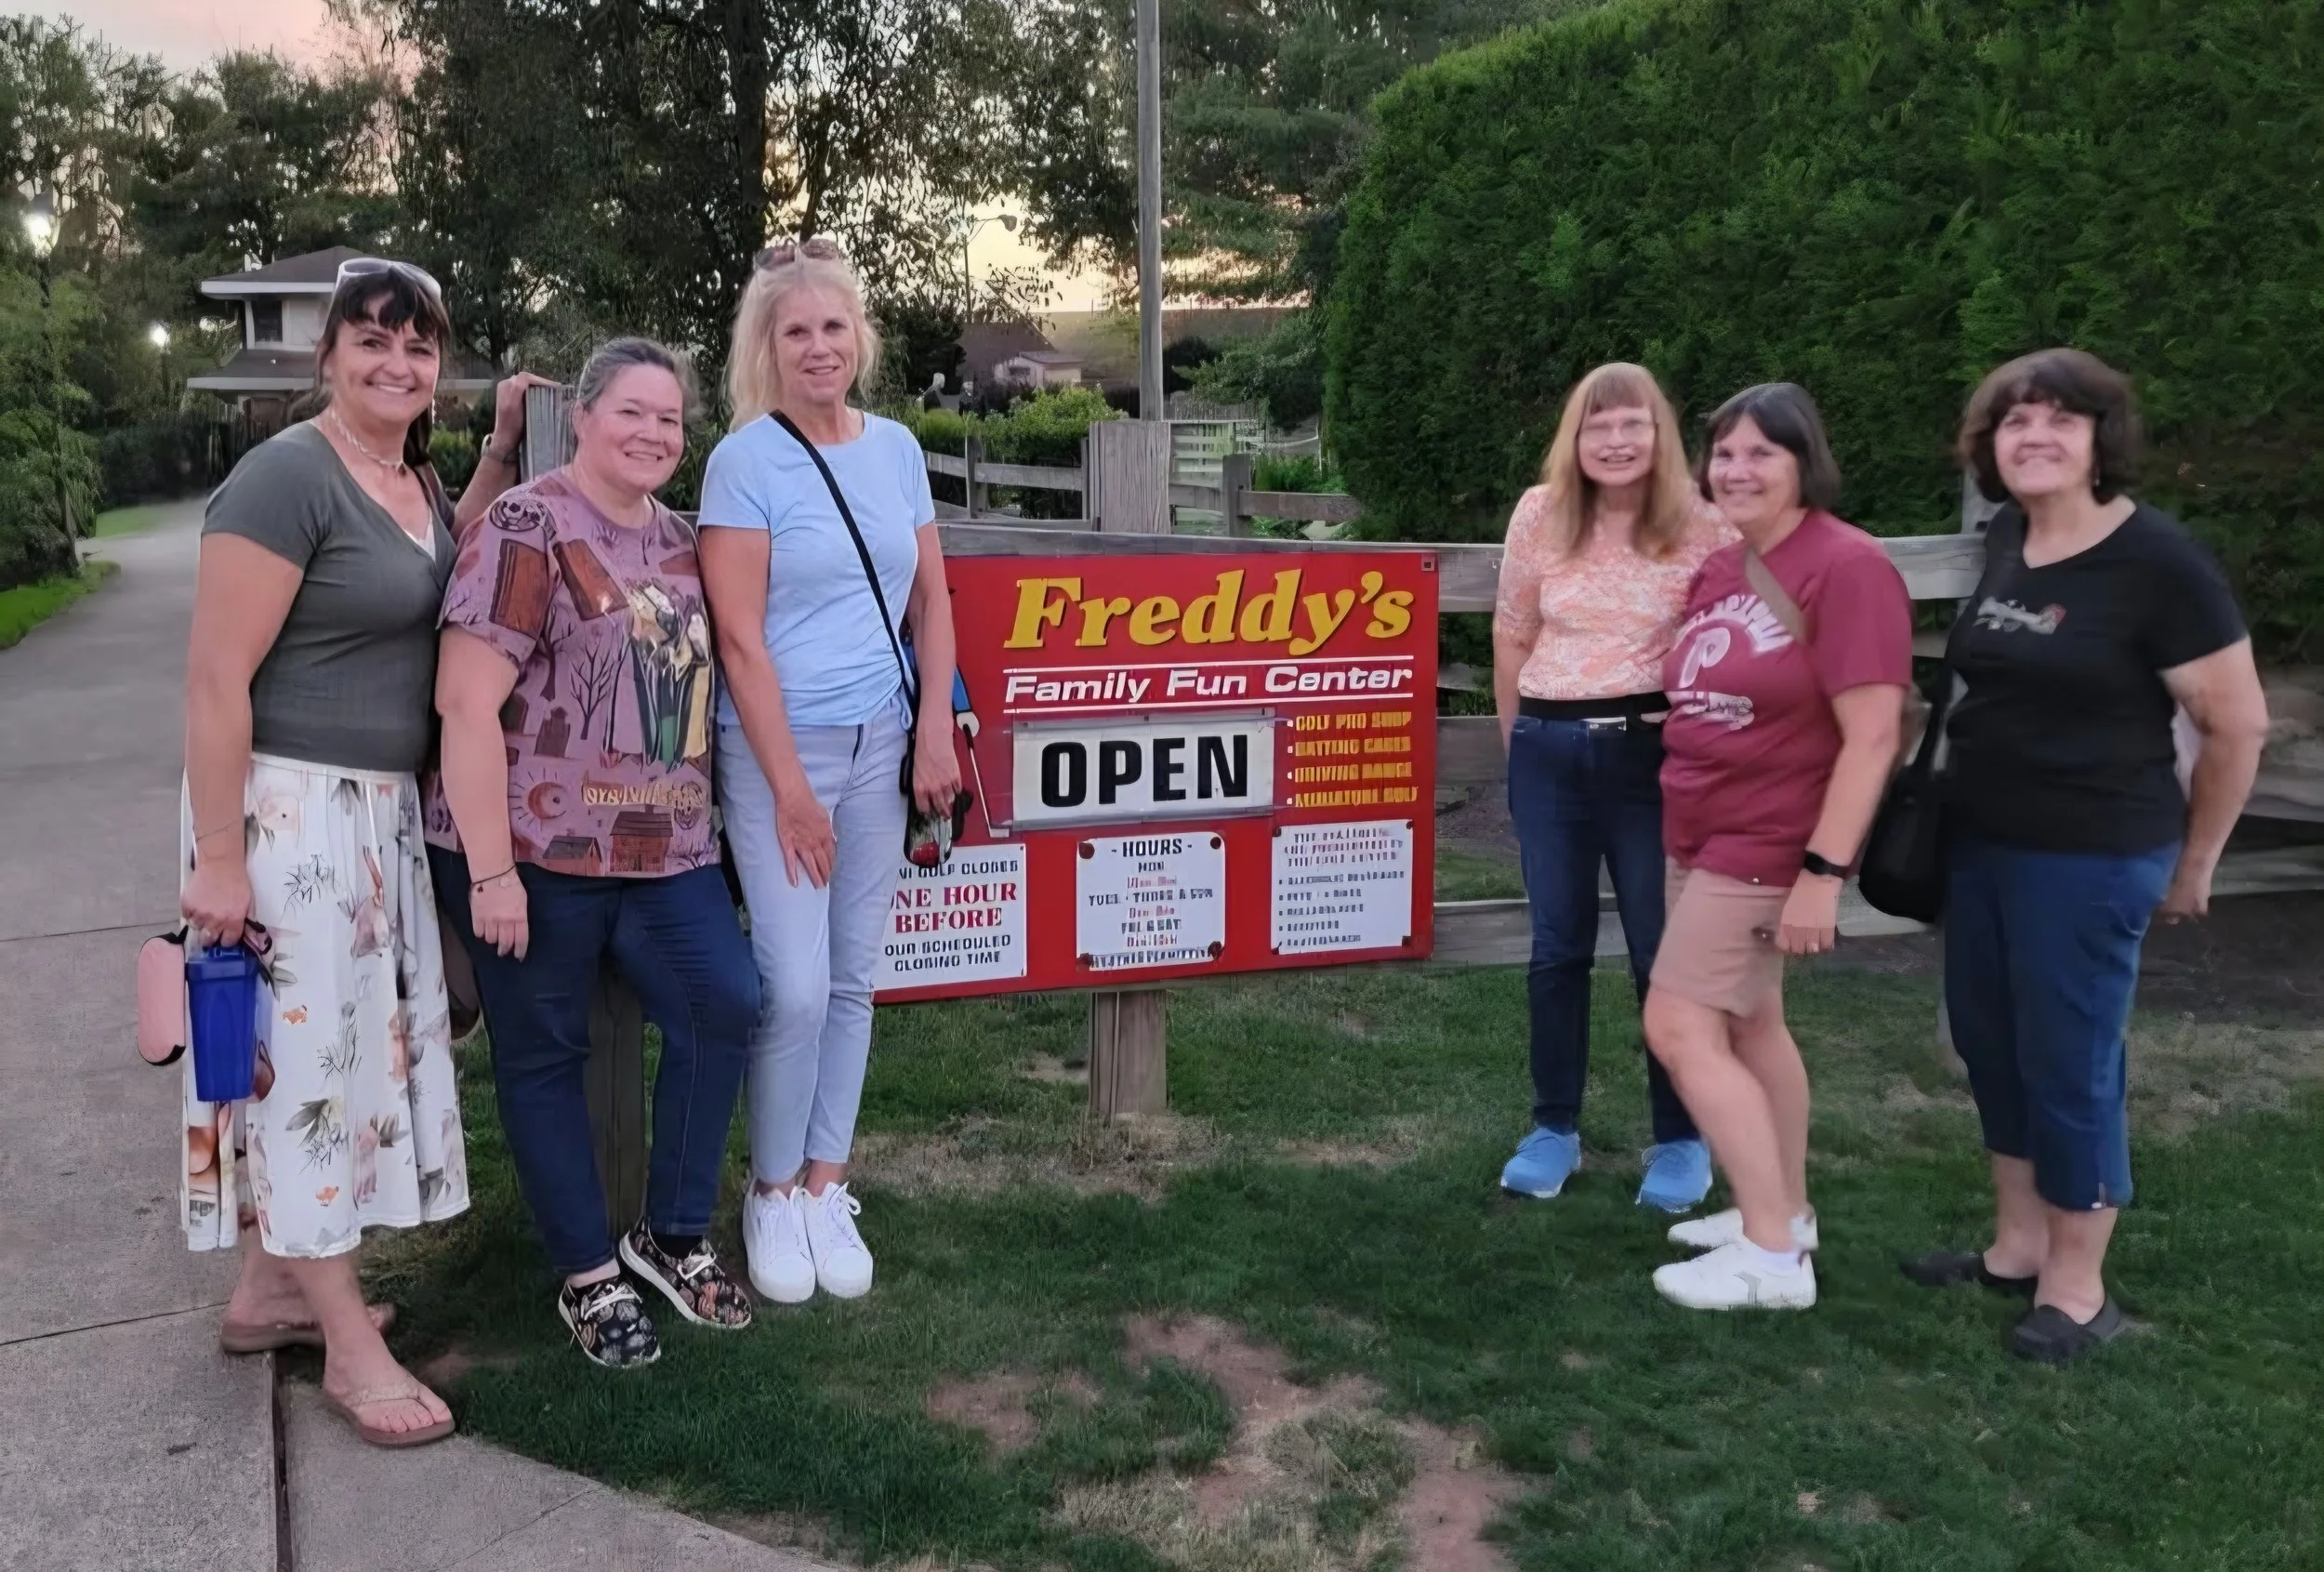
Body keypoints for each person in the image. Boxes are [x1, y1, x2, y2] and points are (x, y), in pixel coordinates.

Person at [177, 258, 536, 1446]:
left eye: (419, 346)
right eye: (372, 342)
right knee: (310, 1072)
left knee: (339, 1055)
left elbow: (439, 571)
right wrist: (221, 861)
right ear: (327, 355)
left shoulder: (406, 478)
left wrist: (495, 450)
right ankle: (348, 1344)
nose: (396, 363)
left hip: (372, 816)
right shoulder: (286, 477)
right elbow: (216, 676)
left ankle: (269, 1288)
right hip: (287, 816)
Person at [1903, 349, 2267, 1363]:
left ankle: (2077, 1285)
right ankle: (2015, 1246)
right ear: (1990, 446)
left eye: (2061, 420)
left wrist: (2194, 863)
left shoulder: (2158, 562)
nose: (2035, 437)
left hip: (2093, 851)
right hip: (1983, 844)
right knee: (1990, 1042)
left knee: (2070, 1060)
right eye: (2015, 421)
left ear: (2101, 440)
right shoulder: (2012, 539)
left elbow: (2234, 723)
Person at [427, 337, 759, 1369]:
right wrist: (489, 870)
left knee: (727, 1002)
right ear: (582, 417)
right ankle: (586, 1274)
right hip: (534, 850)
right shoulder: (527, 528)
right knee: (544, 1057)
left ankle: (668, 1233)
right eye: (633, 412)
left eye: (670, 418)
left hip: (666, 853)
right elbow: (463, 702)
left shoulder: (682, 538)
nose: (654, 433)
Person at [698, 239, 963, 1305]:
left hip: (883, 742)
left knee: (854, 976)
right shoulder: (744, 461)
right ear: (767, 346)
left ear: (862, 336)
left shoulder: (897, 449)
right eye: (795, 330)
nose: (818, 346)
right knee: (793, 984)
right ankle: (767, 1186)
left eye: (833, 327)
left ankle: (823, 1179)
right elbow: (741, 639)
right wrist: (791, 791)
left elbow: (931, 601)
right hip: (781, 754)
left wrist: (934, 730)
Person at [1645, 383, 1912, 1311]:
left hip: (1768, 842)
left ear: (1806, 461)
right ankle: (1784, 1211)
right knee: (1751, 1023)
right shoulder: (1726, 565)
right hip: (1699, 828)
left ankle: (1769, 1258)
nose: (1736, 468)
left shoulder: (1847, 567)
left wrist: (1820, 875)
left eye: (1762, 451)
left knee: (1676, 1025)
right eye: (1723, 452)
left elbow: (1872, 736)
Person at [1491, 363, 1734, 1210]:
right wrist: (1516, 742)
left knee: (1659, 952)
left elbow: (1748, 631)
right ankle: (1552, 1126)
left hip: (1652, 760)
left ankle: (1680, 1138)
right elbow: (1513, 633)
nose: (1617, 441)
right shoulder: (1539, 513)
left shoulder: (1705, 522)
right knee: (1556, 947)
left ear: (1659, 433)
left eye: (1633, 424)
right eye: (1599, 427)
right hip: (1550, 750)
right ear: (1576, 437)